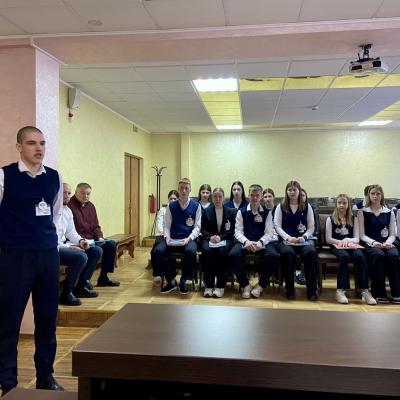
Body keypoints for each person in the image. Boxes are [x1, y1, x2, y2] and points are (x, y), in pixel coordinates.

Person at [0, 126, 64, 395]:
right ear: (19, 147)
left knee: (48, 318)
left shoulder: (54, 177)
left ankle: (45, 375)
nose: (39, 148)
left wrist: (52, 243)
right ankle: (8, 382)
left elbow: (56, 214)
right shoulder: (4, 176)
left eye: (42, 143)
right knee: (8, 321)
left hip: (48, 255)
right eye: (31, 143)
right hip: (14, 256)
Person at [228, 184, 280, 299]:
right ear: (248, 196)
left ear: (261, 197)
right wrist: (246, 242)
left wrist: (260, 242)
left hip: (261, 242)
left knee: (274, 256)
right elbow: (238, 232)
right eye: (252, 195)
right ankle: (245, 285)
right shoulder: (241, 212)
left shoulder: (267, 212)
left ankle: (261, 286)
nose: (255, 198)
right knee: (233, 255)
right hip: (245, 242)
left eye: (257, 195)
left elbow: (269, 233)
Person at [326, 194, 376, 305]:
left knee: (360, 256)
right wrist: (341, 242)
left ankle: (364, 290)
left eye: (344, 203)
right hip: (336, 246)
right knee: (344, 257)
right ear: (336, 204)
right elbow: (328, 239)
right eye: (339, 203)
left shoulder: (354, 218)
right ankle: (340, 290)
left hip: (351, 245)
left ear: (349, 205)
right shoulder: (330, 219)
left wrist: (347, 240)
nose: (342, 205)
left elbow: (357, 239)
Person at [274, 180, 319, 301]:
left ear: (299, 191)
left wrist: (304, 237)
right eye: (289, 190)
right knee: (288, 254)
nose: (292, 192)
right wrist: (288, 238)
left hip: (302, 240)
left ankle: (311, 290)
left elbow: (311, 226)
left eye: (294, 190)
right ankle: (290, 289)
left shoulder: (307, 206)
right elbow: (277, 226)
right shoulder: (280, 206)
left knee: (310, 252)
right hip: (286, 240)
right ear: (286, 192)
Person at [156, 178, 202, 295]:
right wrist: (167, 237)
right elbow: (166, 225)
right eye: (181, 188)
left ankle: (183, 280)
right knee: (158, 251)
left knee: (191, 251)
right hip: (173, 238)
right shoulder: (171, 206)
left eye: (186, 188)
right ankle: (171, 280)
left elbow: (197, 227)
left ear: (190, 190)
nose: (184, 191)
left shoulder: (196, 206)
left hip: (188, 238)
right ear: (178, 189)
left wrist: (189, 238)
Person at [68, 183, 120, 287]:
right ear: (76, 192)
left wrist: (100, 237)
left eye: (88, 194)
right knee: (96, 251)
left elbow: (96, 226)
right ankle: (84, 281)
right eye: (82, 193)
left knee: (111, 245)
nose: (85, 196)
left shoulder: (91, 206)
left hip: (93, 240)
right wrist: (82, 240)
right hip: (78, 241)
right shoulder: (69, 206)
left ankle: (103, 277)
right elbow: (70, 231)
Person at [58, 183, 102, 305]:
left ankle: (81, 286)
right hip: (54, 248)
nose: (67, 196)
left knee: (95, 251)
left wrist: (81, 241)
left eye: (68, 193)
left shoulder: (67, 210)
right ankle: (66, 293)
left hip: (64, 245)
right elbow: (51, 240)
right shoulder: (51, 211)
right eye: (64, 193)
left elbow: (71, 232)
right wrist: (70, 247)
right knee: (81, 257)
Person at [358, 184, 400, 304]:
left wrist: (388, 242)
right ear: (368, 195)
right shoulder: (362, 212)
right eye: (373, 193)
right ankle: (379, 293)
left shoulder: (389, 212)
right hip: (370, 243)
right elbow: (362, 235)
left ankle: (396, 293)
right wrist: (373, 242)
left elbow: (392, 234)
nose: (375, 196)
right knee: (378, 255)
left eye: (378, 194)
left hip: (387, 243)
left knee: (393, 255)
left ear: (382, 196)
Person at [201, 187, 236, 298]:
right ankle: (208, 285)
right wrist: (210, 237)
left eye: (220, 196)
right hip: (209, 239)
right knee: (207, 251)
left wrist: (220, 237)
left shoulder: (230, 212)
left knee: (222, 251)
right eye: (215, 196)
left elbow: (232, 230)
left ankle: (220, 286)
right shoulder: (206, 211)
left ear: (223, 198)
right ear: (212, 197)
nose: (217, 199)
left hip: (225, 239)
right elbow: (203, 229)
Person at [150, 189, 178, 283]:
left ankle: (169, 274)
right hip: (161, 234)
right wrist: (162, 231)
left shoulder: (179, 209)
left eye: (175, 199)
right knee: (154, 250)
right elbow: (159, 222)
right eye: (171, 198)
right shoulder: (163, 209)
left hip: (172, 236)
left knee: (165, 250)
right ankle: (157, 273)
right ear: (168, 199)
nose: (172, 200)